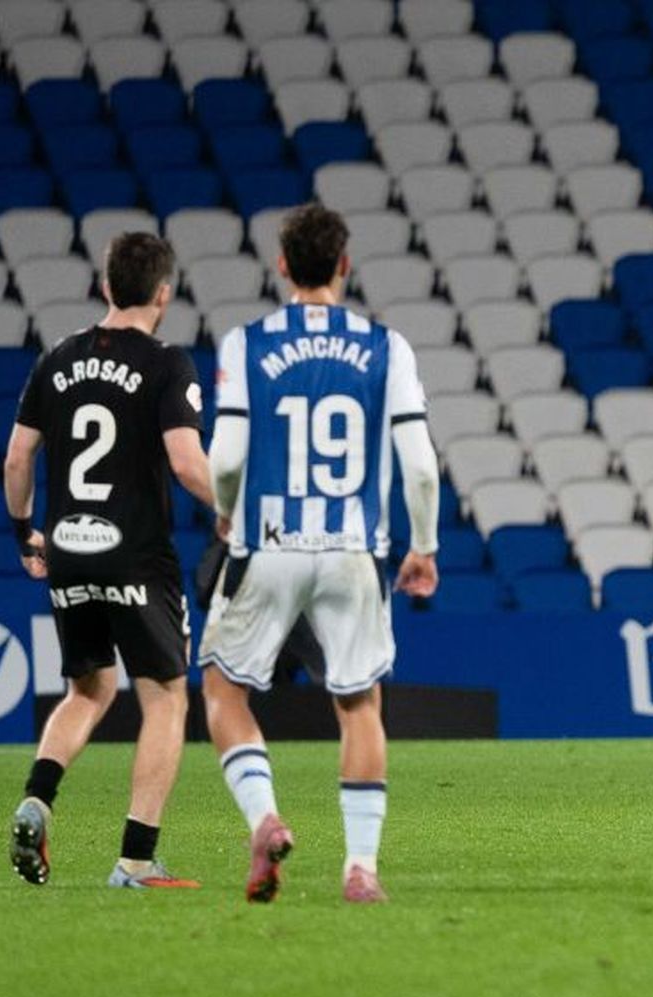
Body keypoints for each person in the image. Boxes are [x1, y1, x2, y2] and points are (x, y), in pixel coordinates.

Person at [200, 203, 440, 904]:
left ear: (281, 267)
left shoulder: (247, 345)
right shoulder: (385, 347)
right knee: (360, 703)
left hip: (268, 541)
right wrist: (422, 546)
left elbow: (227, 456)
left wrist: (225, 510)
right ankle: (360, 865)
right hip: (353, 548)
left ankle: (264, 815)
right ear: (344, 264)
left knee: (223, 689)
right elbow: (420, 465)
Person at [5, 232, 214, 888]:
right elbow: (184, 461)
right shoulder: (166, 362)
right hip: (136, 557)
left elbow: (16, 459)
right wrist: (234, 507)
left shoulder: (55, 359)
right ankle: (135, 858)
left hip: (68, 549)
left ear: (105, 287)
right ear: (163, 293)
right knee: (166, 701)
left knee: (88, 688)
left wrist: (24, 534)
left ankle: (37, 799)